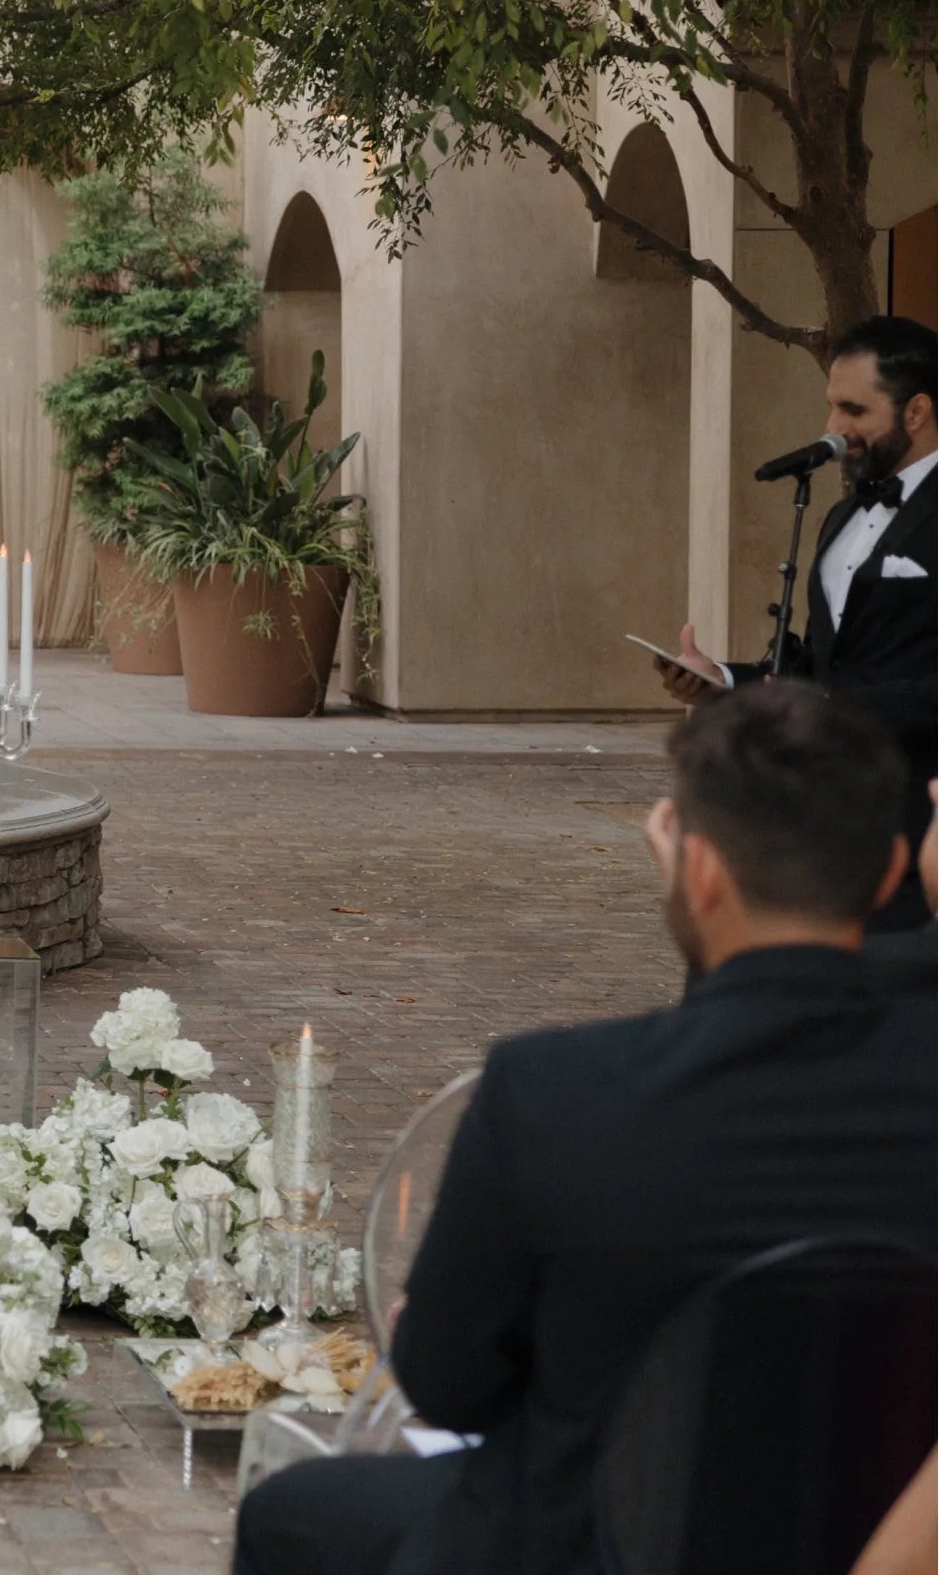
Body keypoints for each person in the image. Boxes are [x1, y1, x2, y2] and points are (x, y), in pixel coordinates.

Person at [233, 680, 935, 1575]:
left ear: (704, 868)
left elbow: (448, 1386)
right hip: (870, 1538)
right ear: (887, 871)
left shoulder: (552, 1090)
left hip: (586, 1544)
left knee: (292, 1515)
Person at [656, 315, 936, 931]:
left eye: (853, 410)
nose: (834, 429)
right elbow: (816, 663)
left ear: (916, 411)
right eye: (831, 407)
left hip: (919, 821)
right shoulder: (840, 518)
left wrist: (827, 703)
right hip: (826, 825)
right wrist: (724, 680)